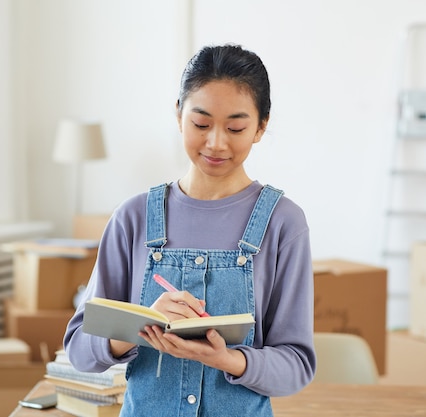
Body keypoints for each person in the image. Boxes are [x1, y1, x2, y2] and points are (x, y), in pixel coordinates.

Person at [63, 44, 316, 417]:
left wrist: (228, 359)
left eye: (236, 127)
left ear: (261, 126)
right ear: (178, 114)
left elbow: (296, 366)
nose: (216, 142)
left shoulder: (284, 223)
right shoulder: (133, 217)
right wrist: (141, 325)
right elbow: (79, 350)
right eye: (200, 124)